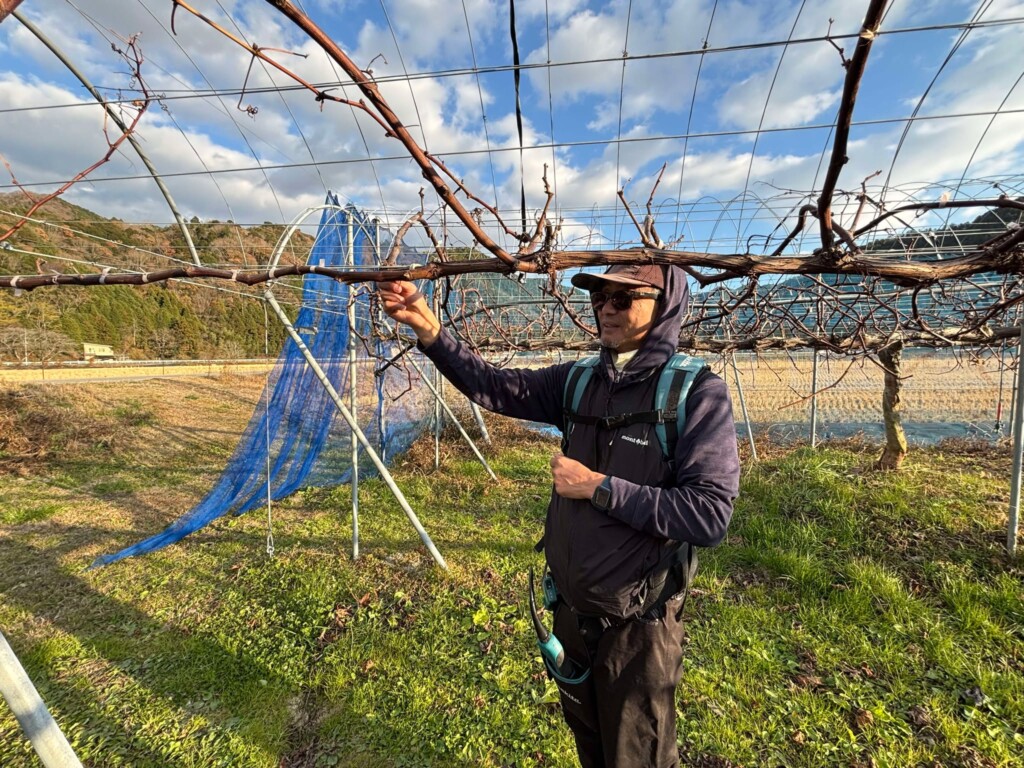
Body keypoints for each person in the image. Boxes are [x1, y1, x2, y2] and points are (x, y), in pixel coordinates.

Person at [379, 264, 740, 768]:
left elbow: (708, 514)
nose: (606, 308)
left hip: (638, 630)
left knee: (638, 755)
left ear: (665, 307)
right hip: (571, 615)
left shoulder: (695, 393)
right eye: (600, 297)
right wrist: (430, 330)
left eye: (624, 297)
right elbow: (496, 387)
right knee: (589, 743)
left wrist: (598, 488)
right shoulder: (579, 382)